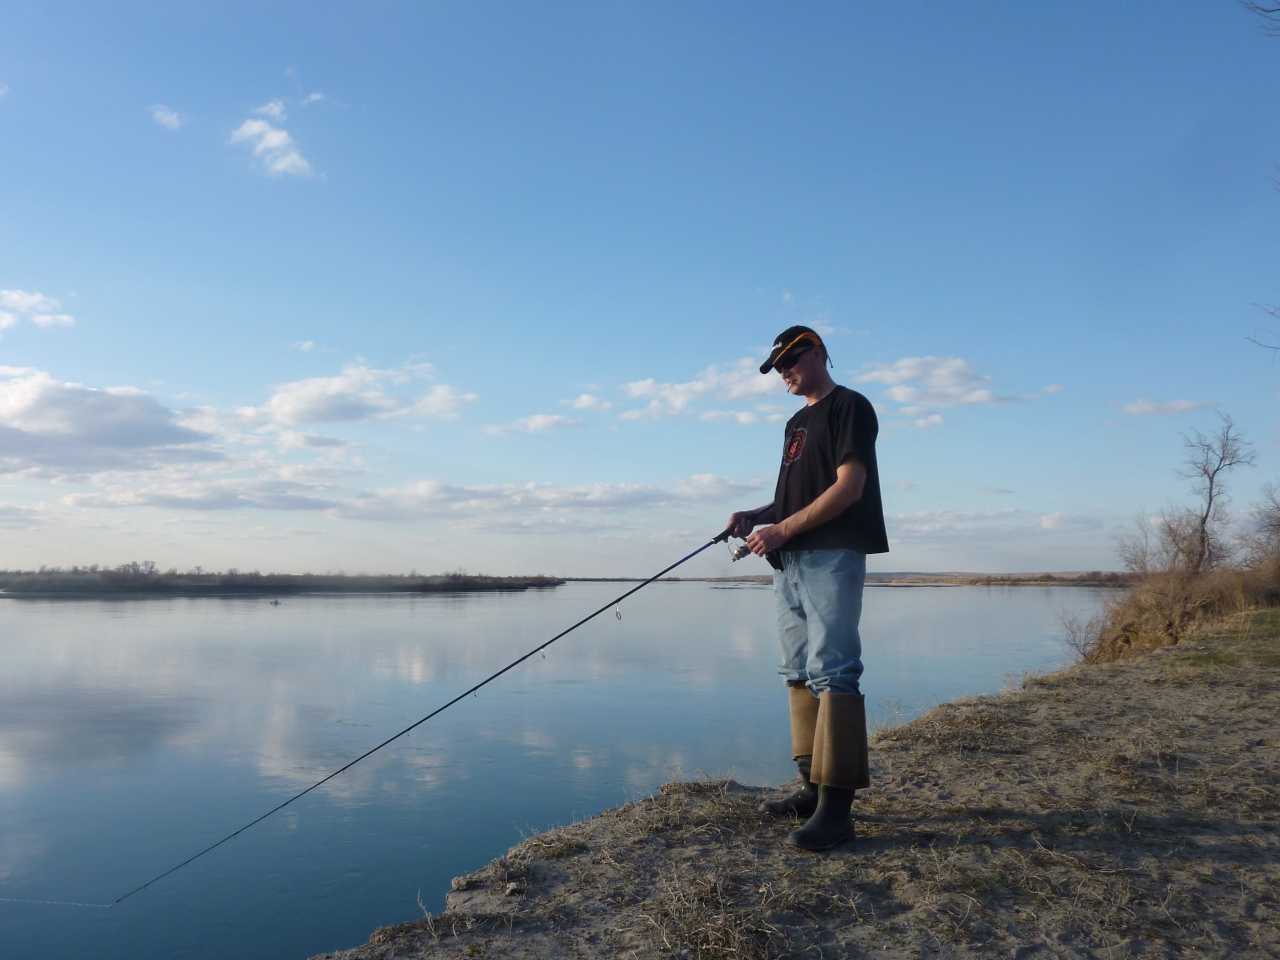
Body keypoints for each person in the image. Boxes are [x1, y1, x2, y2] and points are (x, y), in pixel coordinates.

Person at [726, 325, 888, 851]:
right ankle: (811, 789)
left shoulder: (850, 406)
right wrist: (756, 516)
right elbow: (795, 496)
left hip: (832, 554)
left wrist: (781, 530)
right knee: (797, 670)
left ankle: (837, 812)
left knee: (833, 670)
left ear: (817, 352)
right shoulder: (796, 421)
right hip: (789, 562)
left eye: (791, 361)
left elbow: (849, 487)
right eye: (777, 368)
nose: (784, 374)